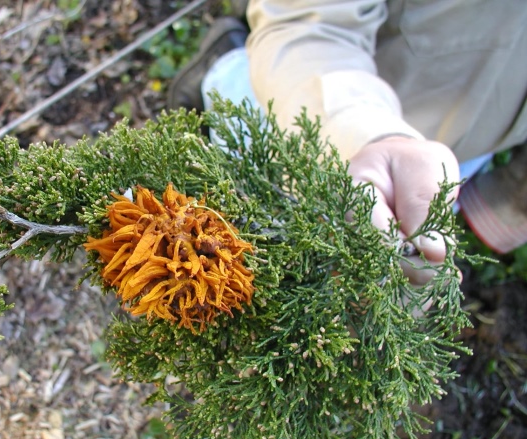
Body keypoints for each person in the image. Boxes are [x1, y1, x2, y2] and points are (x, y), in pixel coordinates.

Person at [168, 0, 527, 279]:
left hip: (444, 167)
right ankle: (219, 71)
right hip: (325, 103)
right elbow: (307, 19)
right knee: (246, 173)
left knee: (322, 254)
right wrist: (366, 133)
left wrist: (509, 200)